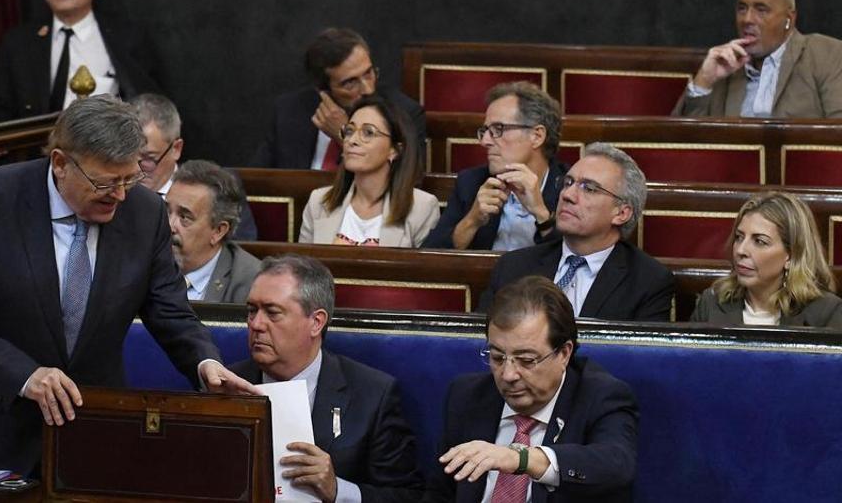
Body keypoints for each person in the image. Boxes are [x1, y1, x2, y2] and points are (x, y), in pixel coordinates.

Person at [0, 95, 256, 474]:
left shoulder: (145, 211)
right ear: (60, 163)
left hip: (90, 433)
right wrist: (22, 374)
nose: (121, 195)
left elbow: (168, 309)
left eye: (130, 178)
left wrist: (203, 361)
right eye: (106, 182)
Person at [425, 276, 638, 503]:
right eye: (497, 357)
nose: (508, 375)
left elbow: (616, 467)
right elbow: (440, 493)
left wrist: (521, 459)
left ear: (564, 353)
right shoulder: (468, 395)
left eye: (526, 360)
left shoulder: (600, 396)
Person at [230, 255, 423, 502]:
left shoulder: (373, 395)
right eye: (251, 311)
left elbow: (408, 496)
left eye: (272, 313)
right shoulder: (226, 386)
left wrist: (338, 490)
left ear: (316, 322)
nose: (256, 324)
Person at [479, 143, 674, 322]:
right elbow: (482, 343)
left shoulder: (647, 281)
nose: (568, 195)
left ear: (621, 213)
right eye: (568, 183)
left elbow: (637, 358)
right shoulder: (513, 267)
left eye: (589, 188)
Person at [0, 0, 159, 123]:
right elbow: (0, 111)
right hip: (38, 146)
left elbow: (149, 102)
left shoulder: (126, 37)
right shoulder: (18, 43)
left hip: (107, 144)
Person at [673, 0, 842, 118]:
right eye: (742, 8)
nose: (747, 19)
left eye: (761, 10)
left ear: (788, 20)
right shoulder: (726, 63)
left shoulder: (826, 55)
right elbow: (686, 141)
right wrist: (704, 80)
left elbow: (836, 135)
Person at [423, 82, 567, 251]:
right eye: (485, 131)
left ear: (537, 136)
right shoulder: (471, 183)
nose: (485, 141)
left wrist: (541, 213)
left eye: (498, 129)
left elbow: (578, 261)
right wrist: (472, 220)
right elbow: (431, 257)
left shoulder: (570, 189)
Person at [260, 28, 426, 169]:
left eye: (369, 73)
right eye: (350, 83)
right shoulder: (289, 110)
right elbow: (255, 181)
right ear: (322, 90)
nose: (368, 89)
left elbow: (403, 186)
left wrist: (345, 135)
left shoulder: (404, 114)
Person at [299, 94, 439, 247]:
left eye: (368, 133)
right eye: (349, 131)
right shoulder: (319, 202)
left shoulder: (422, 207)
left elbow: (421, 270)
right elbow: (303, 269)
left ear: (395, 150)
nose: (352, 141)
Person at [691, 192, 842, 328]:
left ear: (791, 255)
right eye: (739, 237)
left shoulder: (826, 313)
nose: (741, 250)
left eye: (759, 241)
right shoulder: (712, 303)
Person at [131, 92, 257, 240]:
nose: (135, 168)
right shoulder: (114, 190)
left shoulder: (218, 188)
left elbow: (241, 251)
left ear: (176, 149)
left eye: (148, 158)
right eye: (128, 156)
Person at [166, 160, 262, 303]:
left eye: (185, 217)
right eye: (165, 211)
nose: (169, 225)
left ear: (218, 231)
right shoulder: (140, 262)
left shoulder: (251, 283)